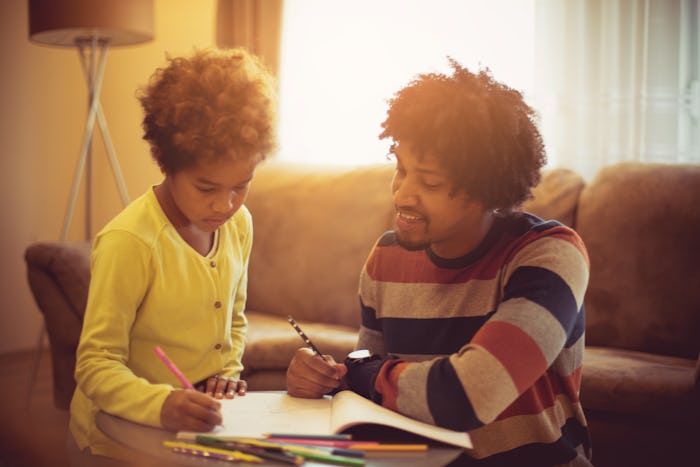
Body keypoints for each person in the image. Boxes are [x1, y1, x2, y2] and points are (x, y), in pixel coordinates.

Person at [286, 59, 592, 466]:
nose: (402, 195)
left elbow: (470, 394)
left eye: (429, 183)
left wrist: (361, 375)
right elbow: (373, 390)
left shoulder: (549, 255)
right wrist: (324, 381)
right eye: (401, 169)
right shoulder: (386, 259)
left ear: (485, 190)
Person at [67, 47, 277, 465]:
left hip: (194, 436)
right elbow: (94, 364)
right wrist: (160, 404)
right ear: (167, 162)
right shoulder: (131, 241)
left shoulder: (239, 224)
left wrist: (226, 375)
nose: (226, 204)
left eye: (242, 185)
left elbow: (234, 319)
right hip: (115, 440)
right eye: (207, 188)